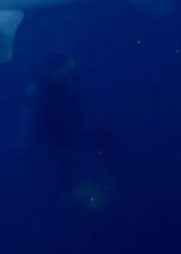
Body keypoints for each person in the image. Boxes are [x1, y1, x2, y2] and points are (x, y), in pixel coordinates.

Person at [22, 55, 114, 210]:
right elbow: (29, 112)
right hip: (56, 137)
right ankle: (68, 197)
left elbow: (83, 103)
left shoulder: (69, 86)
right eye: (67, 68)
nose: (69, 72)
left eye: (71, 68)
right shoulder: (46, 87)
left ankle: (100, 178)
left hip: (69, 133)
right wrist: (22, 141)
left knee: (101, 136)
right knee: (64, 161)